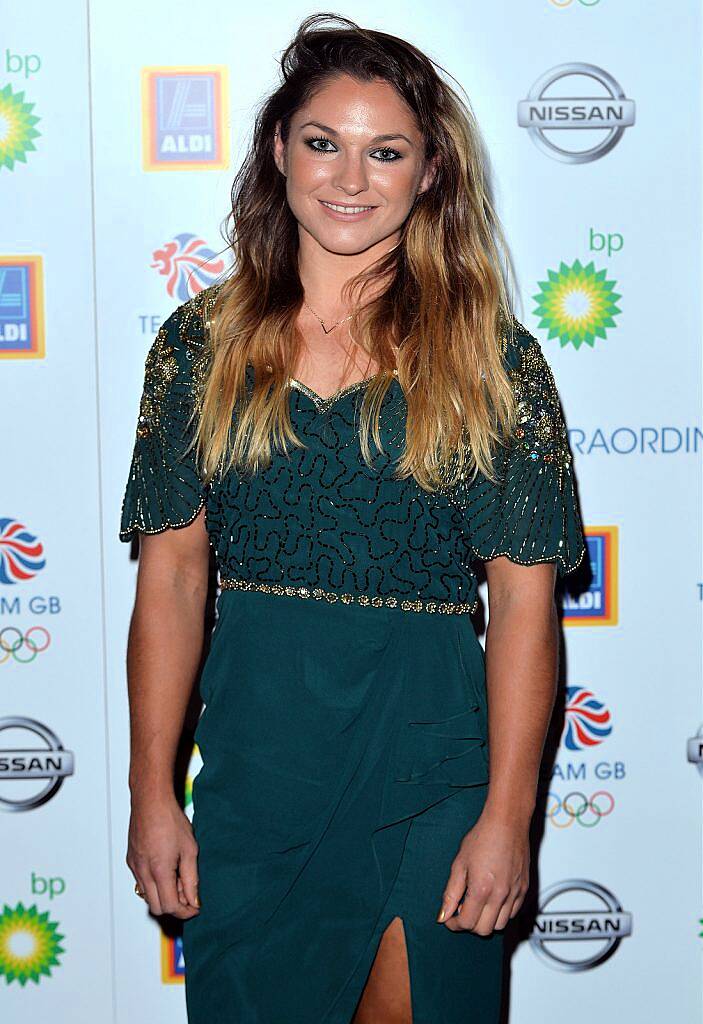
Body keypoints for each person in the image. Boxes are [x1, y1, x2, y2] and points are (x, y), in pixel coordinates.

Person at [120, 13, 586, 1024]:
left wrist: (510, 816)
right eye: (323, 141)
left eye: (386, 151)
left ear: (428, 175)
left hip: (427, 764)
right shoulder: (196, 348)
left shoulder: (491, 361)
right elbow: (170, 578)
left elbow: (519, 606)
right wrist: (151, 790)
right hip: (258, 768)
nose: (349, 177)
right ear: (279, 150)